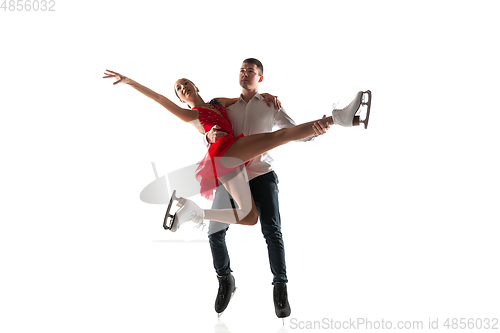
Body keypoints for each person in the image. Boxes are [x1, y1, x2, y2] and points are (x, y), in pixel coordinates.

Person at [103, 64, 370, 318]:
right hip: (225, 153)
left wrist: (266, 95)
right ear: (182, 99)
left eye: (185, 83)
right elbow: (161, 99)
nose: (182, 87)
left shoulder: (219, 102)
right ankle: (339, 118)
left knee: (250, 216)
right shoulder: (191, 113)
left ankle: (194, 212)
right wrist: (130, 82)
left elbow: (244, 97)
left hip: (234, 160)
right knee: (277, 138)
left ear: (195, 85)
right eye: (178, 88)